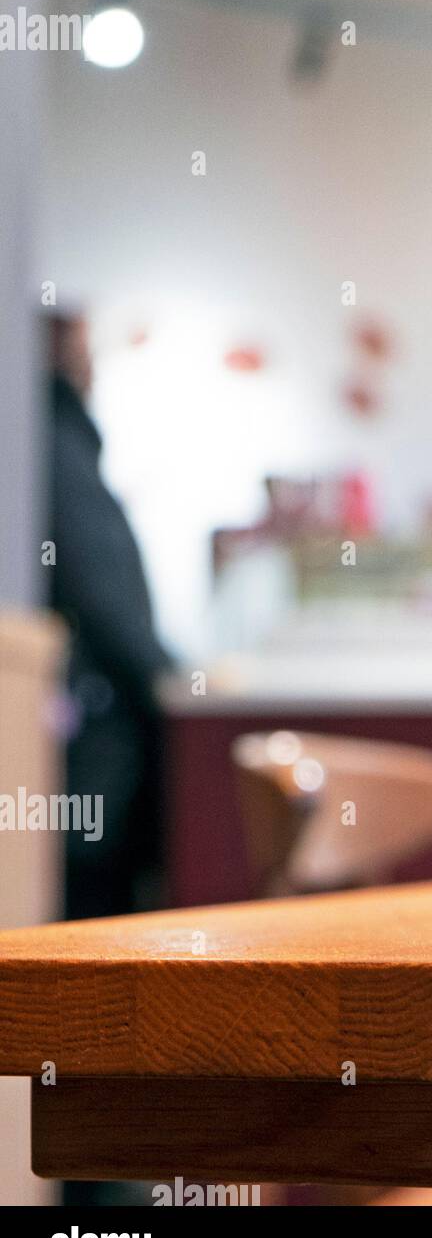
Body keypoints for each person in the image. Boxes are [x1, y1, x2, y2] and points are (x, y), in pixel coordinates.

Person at [46, 312, 172, 920]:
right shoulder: (58, 443)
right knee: (95, 908)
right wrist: (168, 673)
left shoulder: (54, 440)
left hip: (88, 729)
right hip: (96, 733)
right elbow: (104, 596)